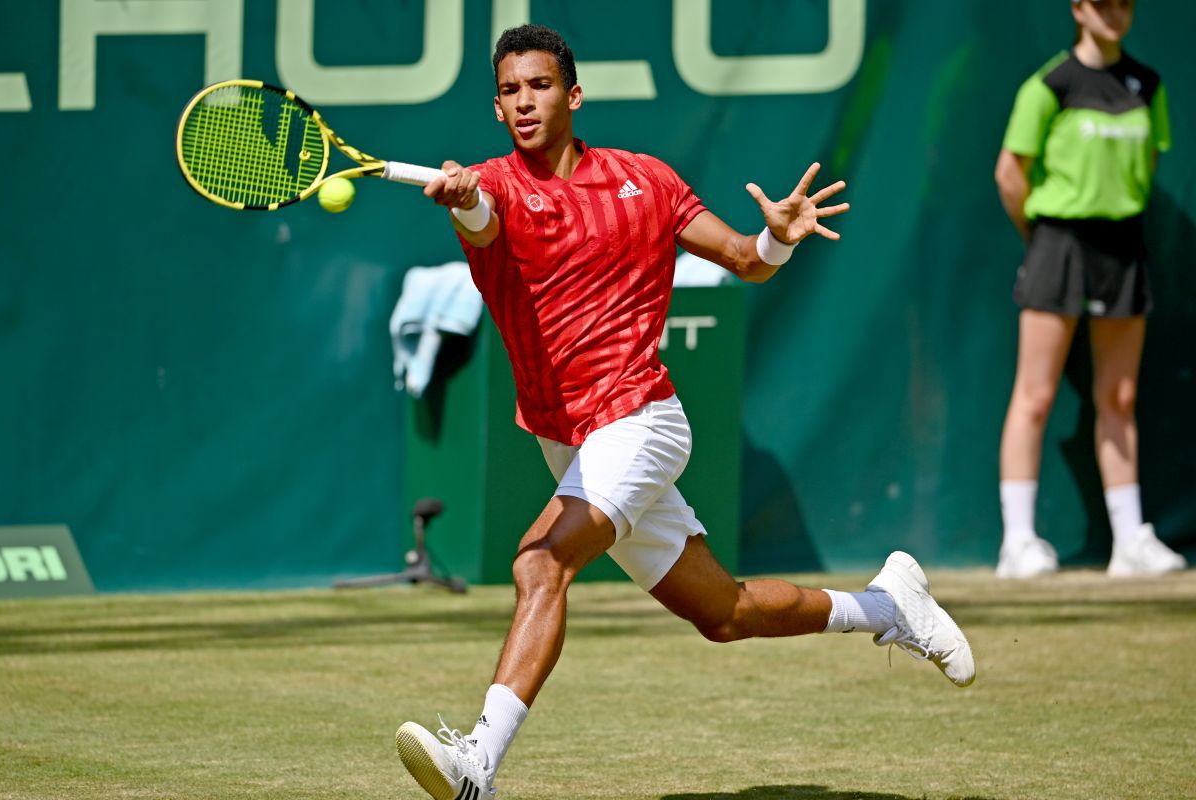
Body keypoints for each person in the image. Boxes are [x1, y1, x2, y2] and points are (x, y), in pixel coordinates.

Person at [396, 24, 975, 800]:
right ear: (497, 110)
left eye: (539, 85)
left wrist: (775, 241)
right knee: (723, 611)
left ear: (573, 94)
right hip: (567, 439)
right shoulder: (495, 187)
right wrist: (465, 201)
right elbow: (483, 222)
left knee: (541, 561)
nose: (524, 101)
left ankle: (478, 765)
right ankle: (887, 604)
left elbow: (743, 259)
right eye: (509, 91)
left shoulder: (647, 181)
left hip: (641, 420)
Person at [993, 0, 1186, 579]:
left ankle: (1130, 541)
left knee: (1120, 397)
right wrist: (1043, 237)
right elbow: (1010, 174)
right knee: (1036, 395)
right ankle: (1018, 542)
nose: (1115, 13)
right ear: (1078, 9)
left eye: (1124, 4)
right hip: (1058, 243)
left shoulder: (1147, 84)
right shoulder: (1048, 85)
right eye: (1102, 4)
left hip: (1123, 247)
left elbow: (1148, 165)